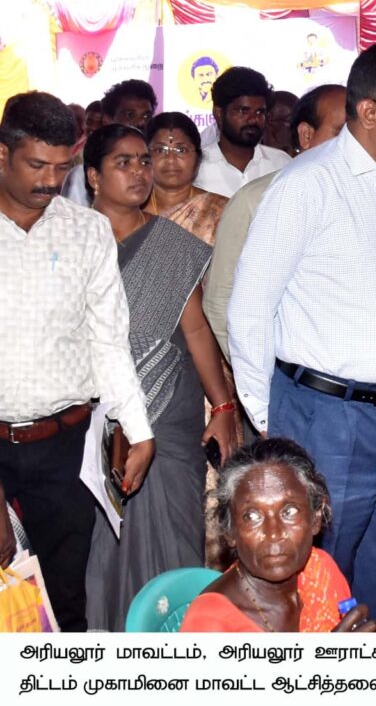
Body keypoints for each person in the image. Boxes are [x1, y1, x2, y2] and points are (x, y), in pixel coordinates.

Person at [229, 42, 376, 633]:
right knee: (321, 574)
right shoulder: (307, 185)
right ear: (370, 111)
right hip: (326, 417)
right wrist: (270, 422)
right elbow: (249, 309)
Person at [0, 92, 154, 631]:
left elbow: (108, 339)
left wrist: (138, 427)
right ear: (3, 154)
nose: (50, 181)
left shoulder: (87, 230)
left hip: (64, 446)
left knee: (65, 601)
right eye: (37, 165)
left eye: (62, 167)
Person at [82, 124, 238, 631]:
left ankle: (175, 640)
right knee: (100, 544)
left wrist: (222, 406)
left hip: (170, 410)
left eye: (143, 161)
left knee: (174, 533)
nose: (139, 172)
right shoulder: (74, 242)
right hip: (93, 415)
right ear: (92, 176)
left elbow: (196, 328)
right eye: (123, 163)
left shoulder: (170, 244)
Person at [204, 84, 347, 359]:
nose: (357, 146)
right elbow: (220, 298)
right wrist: (250, 370)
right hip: (280, 365)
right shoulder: (255, 196)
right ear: (306, 135)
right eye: (342, 133)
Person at [180, 438, 376, 632]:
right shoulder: (209, 622)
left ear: (315, 518)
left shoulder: (322, 572)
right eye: (252, 516)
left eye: (289, 512)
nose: (274, 534)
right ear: (230, 531)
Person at [194, 67, 291, 198]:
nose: (253, 120)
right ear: (219, 114)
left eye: (260, 112)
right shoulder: (196, 168)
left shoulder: (281, 163)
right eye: (243, 111)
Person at [61, 79, 158, 206]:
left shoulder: (158, 168)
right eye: (130, 115)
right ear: (108, 120)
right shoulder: (81, 176)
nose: (141, 122)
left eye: (146, 116)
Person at [143, 112, 228, 246]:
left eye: (181, 150)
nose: (170, 159)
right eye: (160, 150)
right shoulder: (130, 210)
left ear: (197, 158)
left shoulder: (221, 211)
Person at [263, 90, 299, 156]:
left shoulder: (301, 159)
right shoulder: (248, 157)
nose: (301, 127)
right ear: (269, 118)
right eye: (294, 121)